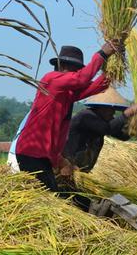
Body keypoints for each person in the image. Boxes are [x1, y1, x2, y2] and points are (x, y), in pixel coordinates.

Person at [14, 43, 115, 191]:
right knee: (49, 196)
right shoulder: (51, 80)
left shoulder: (67, 94)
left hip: (44, 155)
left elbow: (93, 87)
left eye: (78, 71)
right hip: (31, 152)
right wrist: (102, 54)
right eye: (75, 70)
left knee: (49, 193)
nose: (76, 73)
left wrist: (111, 72)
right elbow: (81, 79)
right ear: (62, 68)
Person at [63, 87, 137, 172]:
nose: (113, 113)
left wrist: (136, 127)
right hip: (69, 165)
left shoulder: (103, 122)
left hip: (82, 169)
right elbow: (108, 129)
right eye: (111, 110)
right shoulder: (86, 116)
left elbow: (123, 136)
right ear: (102, 108)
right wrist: (127, 114)